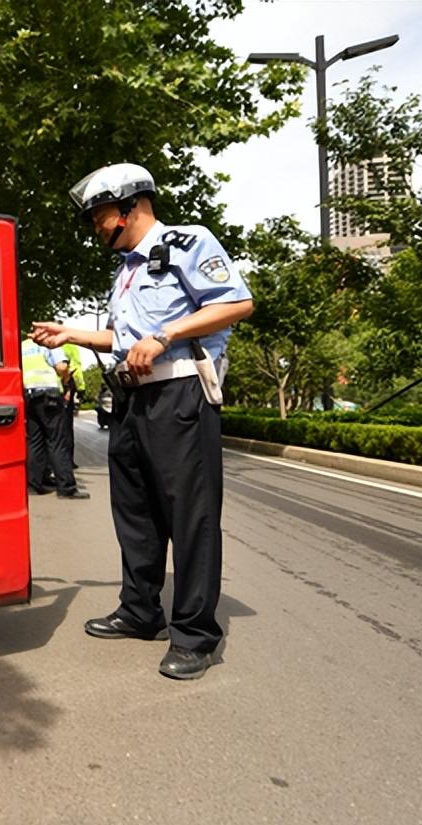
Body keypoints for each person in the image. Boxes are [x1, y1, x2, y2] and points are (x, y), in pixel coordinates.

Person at [30, 162, 253, 680]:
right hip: (130, 401)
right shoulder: (126, 270)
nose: (94, 228)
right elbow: (127, 339)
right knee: (135, 512)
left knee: (189, 517)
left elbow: (237, 303)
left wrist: (167, 334)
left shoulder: (186, 241)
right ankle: (139, 610)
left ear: (129, 205)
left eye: (98, 216)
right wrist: (72, 335)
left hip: (180, 394)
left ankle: (195, 635)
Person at [21, 336, 88, 499]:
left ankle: (33, 484)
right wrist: (65, 380)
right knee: (57, 441)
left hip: (29, 395)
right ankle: (66, 487)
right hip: (49, 395)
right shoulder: (49, 343)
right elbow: (62, 366)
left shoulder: (22, 346)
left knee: (35, 442)